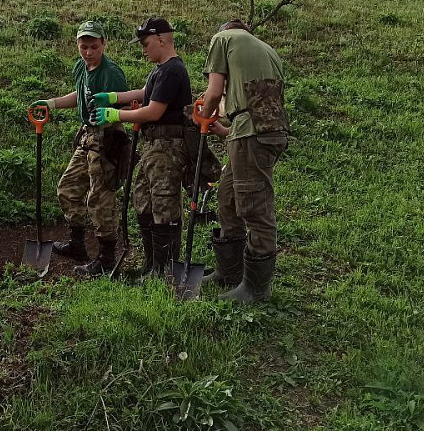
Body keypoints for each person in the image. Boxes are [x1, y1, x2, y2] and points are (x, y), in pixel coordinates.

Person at [91, 16, 192, 276]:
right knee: (143, 201)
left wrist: (116, 115)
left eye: (146, 43)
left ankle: (165, 269)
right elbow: (146, 92)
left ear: (161, 40)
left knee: (164, 205)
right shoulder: (160, 70)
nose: (143, 49)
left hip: (167, 147)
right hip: (153, 146)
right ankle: (151, 265)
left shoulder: (172, 70)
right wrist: (114, 97)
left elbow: (153, 111)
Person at [199, 19, 289, 303]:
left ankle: (255, 289)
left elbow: (214, 92)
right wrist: (226, 130)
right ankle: (230, 272)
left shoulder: (223, 39)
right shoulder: (267, 50)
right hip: (260, 132)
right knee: (227, 197)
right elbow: (258, 104)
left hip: (251, 133)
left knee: (253, 205)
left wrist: (203, 113)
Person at [31, 21, 128, 276]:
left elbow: (126, 106)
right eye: (83, 46)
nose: (88, 52)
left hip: (107, 137)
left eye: (93, 47)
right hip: (86, 135)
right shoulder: (81, 67)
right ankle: (77, 244)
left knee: (100, 196)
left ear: (104, 44)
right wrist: (51, 103)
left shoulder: (111, 73)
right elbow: (79, 96)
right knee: (68, 188)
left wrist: (111, 116)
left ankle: (107, 257)